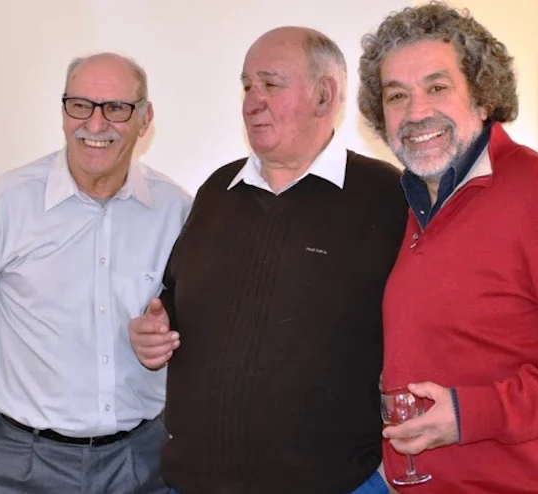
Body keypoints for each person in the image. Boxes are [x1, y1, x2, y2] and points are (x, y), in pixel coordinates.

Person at [129, 26, 407, 494]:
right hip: (193, 483)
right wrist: (154, 330)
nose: (251, 102)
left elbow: (428, 331)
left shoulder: (386, 196)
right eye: (246, 86)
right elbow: (176, 297)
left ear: (325, 94)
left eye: (271, 84)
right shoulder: (217, 191)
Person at [357, 2, 538, 492]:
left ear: (483, 99)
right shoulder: (409, 205)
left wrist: (471, 414)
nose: (416, 112)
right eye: (397, 95)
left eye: (438, 87)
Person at [0, 52, 191, 494]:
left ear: (145, 118)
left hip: (141, 465)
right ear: (63, 112)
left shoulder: (175, 211)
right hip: (22, 466)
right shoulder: (4, 205)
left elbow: (200, 323)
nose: (94, 124)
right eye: (80, 105)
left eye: (115, 108)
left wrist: (165, 330)